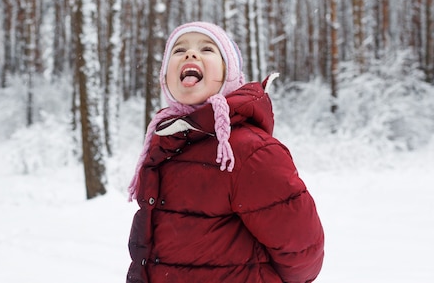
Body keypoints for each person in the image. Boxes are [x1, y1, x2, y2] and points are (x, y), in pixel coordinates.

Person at [127, 21, 324, 283]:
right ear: (166, 77)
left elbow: (301, 252)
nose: (190, 54)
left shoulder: (249, 150)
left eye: (207, 48)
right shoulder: (165, 143)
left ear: (228, 73)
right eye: (178, 50)